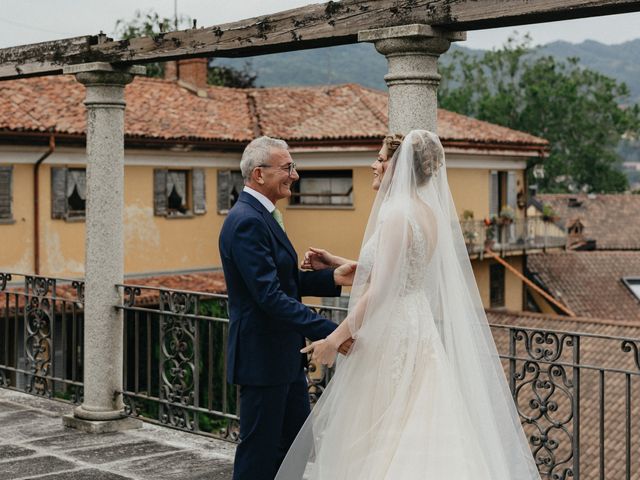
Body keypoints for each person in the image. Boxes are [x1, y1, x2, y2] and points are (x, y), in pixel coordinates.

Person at [275, 131, 542, 480]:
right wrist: (336, 261)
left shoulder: (396, 214)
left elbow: (383, 289)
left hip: (393, 329)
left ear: (396, 168)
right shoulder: (424, 212)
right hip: (414, 323)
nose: (374, 164)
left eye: (380, 160)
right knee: (415, 419)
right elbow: (397, 273)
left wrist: (334, 338)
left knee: (386, 427)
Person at [218, 136, 355, 480]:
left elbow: (282, 282)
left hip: (282, 357)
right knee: (258, 456)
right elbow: (269, 296)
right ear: (260, 174)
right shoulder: (247, 221)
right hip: (262, 359)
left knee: (294, 448)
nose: (295, 175)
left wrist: (332, 279)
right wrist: (333, 333)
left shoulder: (262, 215)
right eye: (288, 167)